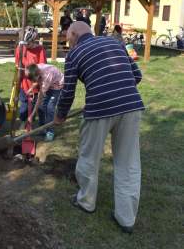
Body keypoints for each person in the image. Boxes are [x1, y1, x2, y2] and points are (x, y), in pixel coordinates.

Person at [54, 22, 144, 233]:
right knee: (128, 162)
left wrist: (60, 116)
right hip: (131, 106)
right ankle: (126, 219)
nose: (69, 45)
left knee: (89, 156)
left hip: (99, 109)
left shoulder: (74, 55)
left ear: (74, 34)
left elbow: (68, 92)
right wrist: (118, 89)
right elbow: (137, 76)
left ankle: (86, 202)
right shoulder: (115, 43)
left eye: (68, 40)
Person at [15, 26, 47, 131]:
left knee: (34, 103)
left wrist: (35, 84)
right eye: (24, 43)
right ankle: (23, 122)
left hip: (35, 82)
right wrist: (16, 80)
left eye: (28, 43)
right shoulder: (20, 48)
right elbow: (17, 65)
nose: (26, 46)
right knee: (23, 101)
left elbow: (42, 67)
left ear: (33, 40)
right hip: (23, 81)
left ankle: (32, 122)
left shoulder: (39, 49)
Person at [25, 63, 64, 142]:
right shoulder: (35, 69)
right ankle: (42, 128)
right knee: (41, 106)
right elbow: (36, 81)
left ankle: (50, 131)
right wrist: (32, 88)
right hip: (48, 82)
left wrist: (32, 115)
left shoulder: (46, 77)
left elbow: (40, 98)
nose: (33, 81)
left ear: (39, 74)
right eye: (31, 81)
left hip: (56, 84)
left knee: (49, 107)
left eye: (34, 80)